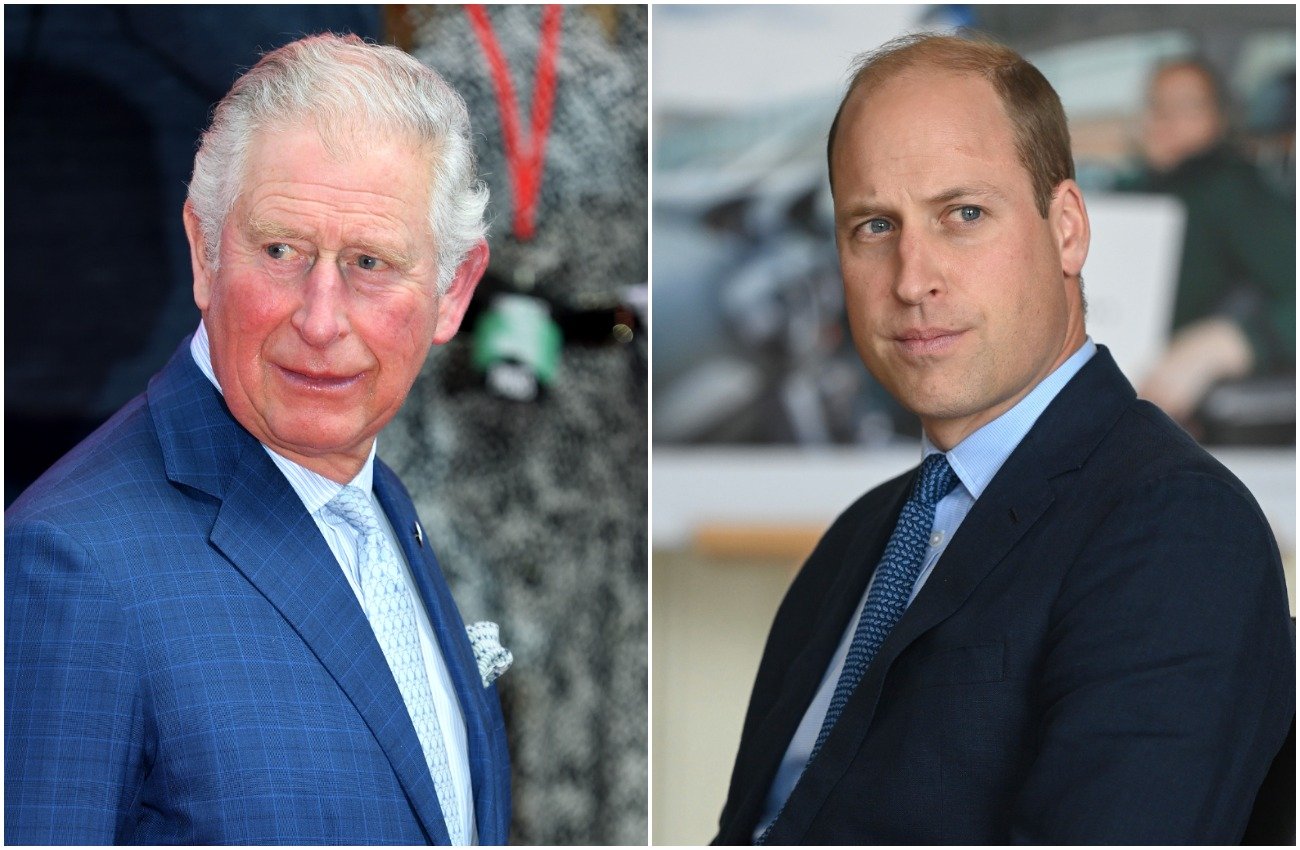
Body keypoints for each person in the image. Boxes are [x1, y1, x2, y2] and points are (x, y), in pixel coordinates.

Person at [715, 34, 1294, 844]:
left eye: (964, 214)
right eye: (874, 225)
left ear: (1067, 230)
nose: (913, 279)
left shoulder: (1176, 528)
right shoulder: (856, 544)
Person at [6, 34, 509, 845]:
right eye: (280, 252)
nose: (319, 320)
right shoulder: (68, 566)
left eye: (371, 263)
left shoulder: (374, 501)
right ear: (204, 250)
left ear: (453, 290)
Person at [1119, 58, 1295, 426]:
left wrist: (1227, 344)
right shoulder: (1127, 190)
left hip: (1186, 415)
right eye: (1156, 105)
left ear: (1219, 118)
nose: (1165, 119)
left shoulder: (1235, 190)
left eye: (1186, 106)